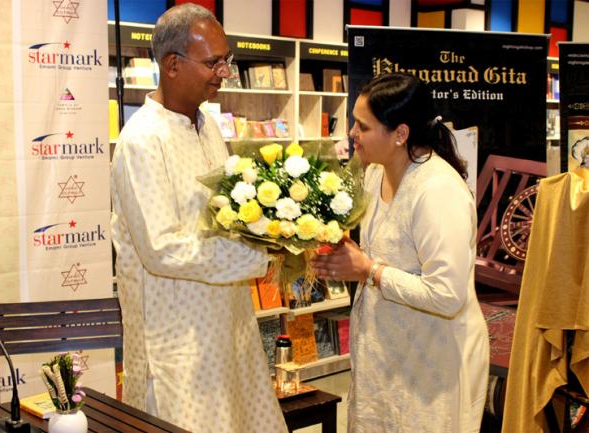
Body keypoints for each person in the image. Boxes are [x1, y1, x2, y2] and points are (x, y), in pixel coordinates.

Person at [110, 4, 287, 433]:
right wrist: (254, 256)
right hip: (177, 339)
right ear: (172, 65)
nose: (224, 72)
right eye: (213, 62)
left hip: (228, 326)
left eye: (227, 60)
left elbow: (226, 214)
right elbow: (162, 249)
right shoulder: (142, 141)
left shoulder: (206, 125)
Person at [312, 73, 489, 432]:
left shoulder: (437, 191)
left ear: (400, 134)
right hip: (385, 355)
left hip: (432, 363)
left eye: (363, 126)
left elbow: (447, 295)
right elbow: (385, 252)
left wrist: (369, 270)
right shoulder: (376, 174)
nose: (352, 133)